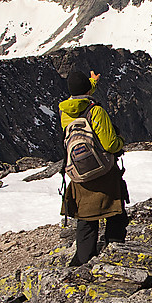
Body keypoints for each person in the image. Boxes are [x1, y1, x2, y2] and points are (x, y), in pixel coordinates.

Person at [59, 69, 128, 265]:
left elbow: (79, 96)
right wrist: (121, 141)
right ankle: (114, 257)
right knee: (115, 214)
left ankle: (81, 262)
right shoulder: (95, 111)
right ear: (88, 91)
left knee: (86, 221)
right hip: (104, 174)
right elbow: (110, 144)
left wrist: (92, 82)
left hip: (79, 175)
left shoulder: (65, 112)